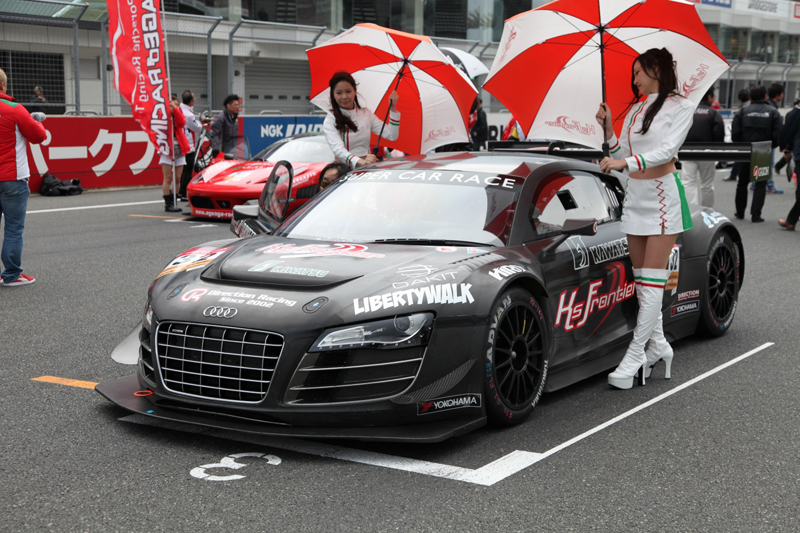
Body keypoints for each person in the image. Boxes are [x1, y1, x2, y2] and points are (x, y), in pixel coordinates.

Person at [594, 48, 695, 390]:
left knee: (651, 283)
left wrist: (625, 163)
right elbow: (620, 154)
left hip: (664, 199)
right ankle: (659, 346)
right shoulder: (636, 110)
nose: (634, 79)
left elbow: (666, 151)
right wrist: (608, 128)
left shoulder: (682, 106)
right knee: (642, 283)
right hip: (636, 198)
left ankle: (635, 354)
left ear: (656, 69)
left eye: (638, 71)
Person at [0, 68, 47, 287]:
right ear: (3, 85)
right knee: (13, 228)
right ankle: (11, 275)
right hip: (13, 178)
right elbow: (39, 136)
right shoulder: (14, 109)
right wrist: (36, 121)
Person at [322, 71, 400, 170]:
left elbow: (391, 135)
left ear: (355, 91)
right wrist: (360, 162)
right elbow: (338, 149)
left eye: (348, 91)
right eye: (339, 93)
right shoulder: (330, 119)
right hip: (342, 170)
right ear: (333, 95)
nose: (344, 96)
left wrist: (392, 109)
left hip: (366, 168)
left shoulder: (366, 113)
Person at [731, 84, 782, 223]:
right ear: (765, 96)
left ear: (751, 97)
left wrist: (740, 145)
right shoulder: (772, 112)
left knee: (742, 183)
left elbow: (735, 132)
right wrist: (771, 146)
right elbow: (778, 133)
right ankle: (756, 215)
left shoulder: (743, 111)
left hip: (745, 149)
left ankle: (740, 212)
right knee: (760, 184)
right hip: (763, 149)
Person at [681, 87, 724, 207]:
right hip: (707, 153)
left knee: (688, 183)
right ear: (709, 97)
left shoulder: (687, 111)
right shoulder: (713, 113)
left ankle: (691, 211)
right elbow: (719, 134)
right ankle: (707, 210)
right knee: (707, 184)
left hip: (687, 151)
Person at [160, 95, 190, 212]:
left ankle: (174, 201)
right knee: (168, 178)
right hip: (167, 149)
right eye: (172, 104)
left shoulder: (179, 113)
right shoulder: (163, 115)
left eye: (177, 105)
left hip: (180, 148)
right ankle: (168, 203)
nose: (175, 106)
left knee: (177, 178)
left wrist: (175, 110)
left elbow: (181, 123)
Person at [778, 97, 800, 231]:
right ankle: (792, 220)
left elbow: (787, 132)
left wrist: (786, 149)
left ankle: (791, 220)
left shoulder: (796, 113)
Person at [178, 90, 203, 201]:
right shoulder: (188, 115)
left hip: (180, 144)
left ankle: (178, 192)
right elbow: (197, 128)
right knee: (188, 170)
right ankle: (183, 193)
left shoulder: (179, 110)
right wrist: (200, 121)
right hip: (188, 145)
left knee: (181, 170)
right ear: (191, 101)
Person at [723, 88, 750, 182]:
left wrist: (736, 140)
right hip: (754, 137)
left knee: (740, 157)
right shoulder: (753, 107)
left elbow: (736, 126)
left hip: (743, 138)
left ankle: (733, 175)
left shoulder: (741, 110)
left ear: (740, 100)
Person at [210, 94, 240, 159]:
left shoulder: (234, 118)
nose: (238, 107)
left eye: (238, 105)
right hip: (223, 153)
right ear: (228, 106)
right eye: (235, 105)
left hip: (232, 152)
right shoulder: (220, 118)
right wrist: (216, 151)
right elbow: (215, 135)